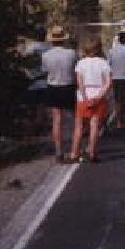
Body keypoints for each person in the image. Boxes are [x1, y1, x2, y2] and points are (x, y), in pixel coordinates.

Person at [71, 36, 111, 163]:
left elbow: (80, 83)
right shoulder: (104, 63)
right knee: (94, 125)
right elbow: (108, 83)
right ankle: (92, 153)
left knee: (79, 126)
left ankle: (74, 153)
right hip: (98, 95)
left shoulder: (81, 63)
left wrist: (85, 98)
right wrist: (98, 97)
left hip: (83, 97)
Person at [41, 26, 78, 163]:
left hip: (53, 87)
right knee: (76, 119)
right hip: (69, 86)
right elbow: (76, 69)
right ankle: (75, 149)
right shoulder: (72, 53)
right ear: (64, 39)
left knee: (57, 120)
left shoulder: (45, 55)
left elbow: (45, 71)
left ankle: (59, 151)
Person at [107, 31, 125, 128]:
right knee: (123, 101)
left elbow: (109, 64)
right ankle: (119, 121)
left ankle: (119, 119)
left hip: (115, 78)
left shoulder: (111, 51)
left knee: (118, 100)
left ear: (119, 40)